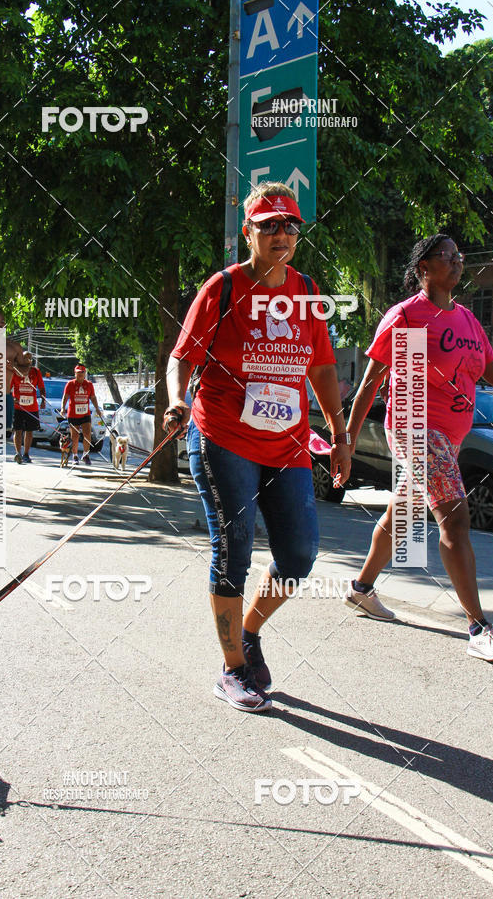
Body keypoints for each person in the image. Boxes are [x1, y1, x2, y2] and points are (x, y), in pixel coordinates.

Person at [164, 182, 351, 713]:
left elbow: (321, 367)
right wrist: (178, 401)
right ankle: (231, 669)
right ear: (248, 231)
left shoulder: (308, 292)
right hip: (224, 437)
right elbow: (183, 357)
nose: (280, 233)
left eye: (289, 225)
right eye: (268, 224)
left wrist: (338, 434)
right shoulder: (222, 287)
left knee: (299, 553)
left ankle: (248, 633)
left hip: (288, 444)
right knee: (235, 552)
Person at [345, 234, 493, 661]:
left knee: (404, 513)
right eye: (445, 256)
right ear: (423, 268)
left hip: (450, 436)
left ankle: (360, 589)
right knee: (456, 518)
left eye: (458, 256)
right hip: (416, 428)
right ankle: (479, 625)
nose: (456, 262)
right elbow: (370, 384)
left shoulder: (468, 320)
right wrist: (347, 441)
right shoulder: (407, 317)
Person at [60, 365, 103, 465]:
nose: (80, 375)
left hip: (85, 413)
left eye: (82, 373)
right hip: (73, 414)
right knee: (75, 436)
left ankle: (85, 455)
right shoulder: (70, 384)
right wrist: (63, 408)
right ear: (75, 373)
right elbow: (65, 397)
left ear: (85, 374)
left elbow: (93, 397)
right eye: (78, 373)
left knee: (87, 434)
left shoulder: (89, 384)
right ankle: (75, 456)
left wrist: (97, 409)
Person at [11, 352, 46, 463]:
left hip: (32, 407)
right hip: (18, 406)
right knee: (18, 430)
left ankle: (26, 453)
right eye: (25, 358)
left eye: (30, 359)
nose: (27, 360)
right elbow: (8, 387)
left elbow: (41, 387)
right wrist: (12, 399)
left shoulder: (36, 372)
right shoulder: (15, 371)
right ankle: (18, 453)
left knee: (29, 431)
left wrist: (43, 401)